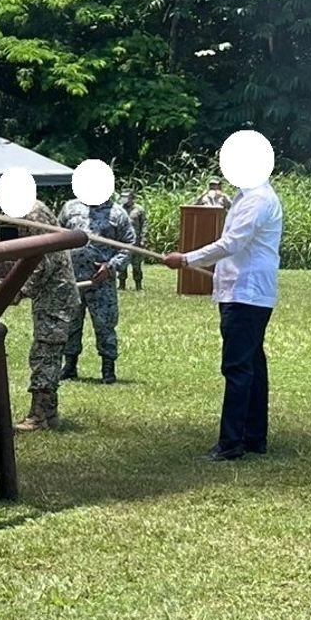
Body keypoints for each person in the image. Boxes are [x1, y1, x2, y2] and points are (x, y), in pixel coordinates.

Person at [163, 179, 282, 461]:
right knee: (252, 364)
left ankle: (230, 443)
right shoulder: (246, 196)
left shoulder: (257, 199)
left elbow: (233, 242)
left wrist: (186, 259)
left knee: (238, 367)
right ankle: (254, 437)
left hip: (246, 293)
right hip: (244, 292)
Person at [13, 200, 82, 431]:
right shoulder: (27, 210)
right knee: (48, 353)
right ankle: (50, 415)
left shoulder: (33, 213)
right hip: (51, 297)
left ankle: (38, 416)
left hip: (56, 299)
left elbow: (44, 258)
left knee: (44, 354)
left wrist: (20, 289)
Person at [58, 196, 135, 383]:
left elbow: (128, 245)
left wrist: (111, 267)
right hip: (72, 279)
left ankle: (108, 368)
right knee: (71, 323)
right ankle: (70, 365)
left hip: (101, 280)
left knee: (105, 325)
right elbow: (56, 238)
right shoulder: (70, 208)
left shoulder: (118, 213)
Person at [119, 189, 148, 291]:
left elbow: (144, 224)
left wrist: (143, 239)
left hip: (136, 242)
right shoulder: (119, 210)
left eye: (126, 197)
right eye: (122, 196)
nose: (124, 199)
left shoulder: (139, 210)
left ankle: (138, 285)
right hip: (122, 242)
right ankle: (122, 285)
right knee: (122, 264)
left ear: (132, 198)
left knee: (136, 265)